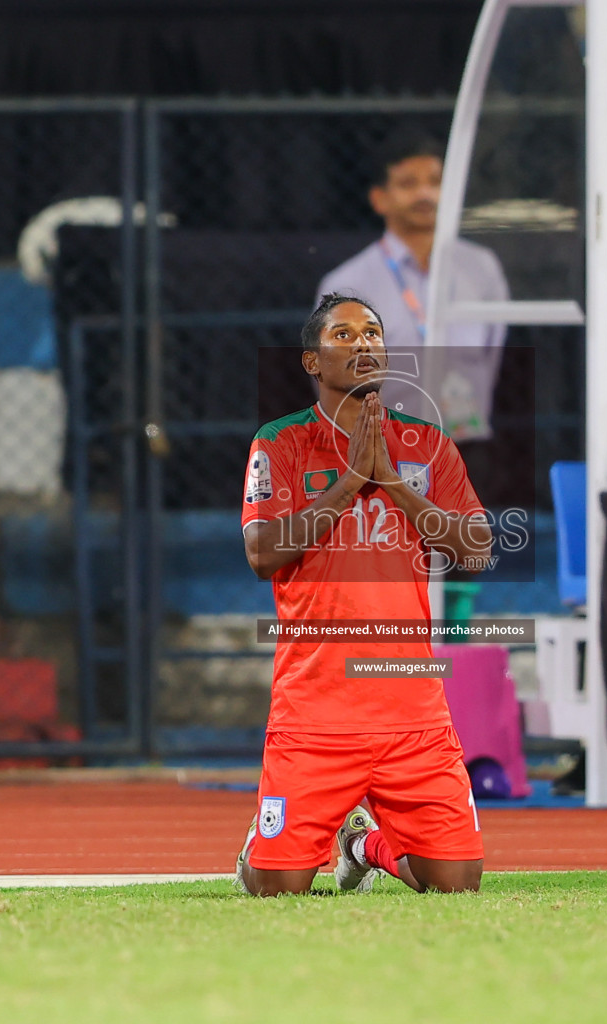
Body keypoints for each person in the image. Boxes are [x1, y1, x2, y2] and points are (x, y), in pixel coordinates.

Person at [235, 294, 493, 897]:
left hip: (412, 709)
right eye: (344, 335)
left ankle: (361, 843)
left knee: (457, 882)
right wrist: (352, 482)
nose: (363, 344)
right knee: (276, 888)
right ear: (311, 362)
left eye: (372, 332)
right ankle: (264, 843)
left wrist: (392, 486)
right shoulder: (279, 443)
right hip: (317, 708)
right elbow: (262, 554)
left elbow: (476, 548)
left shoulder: (428, 444)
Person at [314, 132, 509, 501]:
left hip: (465, 449)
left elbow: (492, 359)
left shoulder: (481, 268)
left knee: (465, 555)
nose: (425, 195)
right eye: (408, 184)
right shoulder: (348, 284)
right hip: (381, 454)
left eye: (435, 182)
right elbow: (334, 385)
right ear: (379, 199)